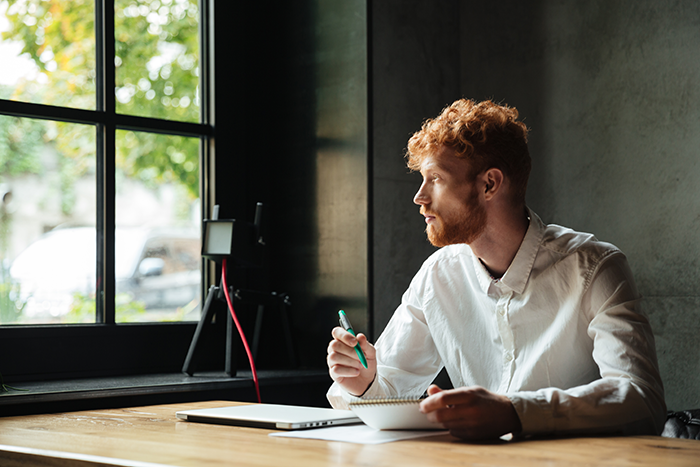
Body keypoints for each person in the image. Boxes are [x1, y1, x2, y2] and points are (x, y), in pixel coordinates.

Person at [326, 98, 666, 440]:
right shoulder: (437, 276)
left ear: (489, 184)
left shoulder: (595, 268)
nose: (419, 196)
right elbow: (386, 392)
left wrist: (514, 412)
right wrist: (364, 381)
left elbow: (642, 400)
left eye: (436, 179)